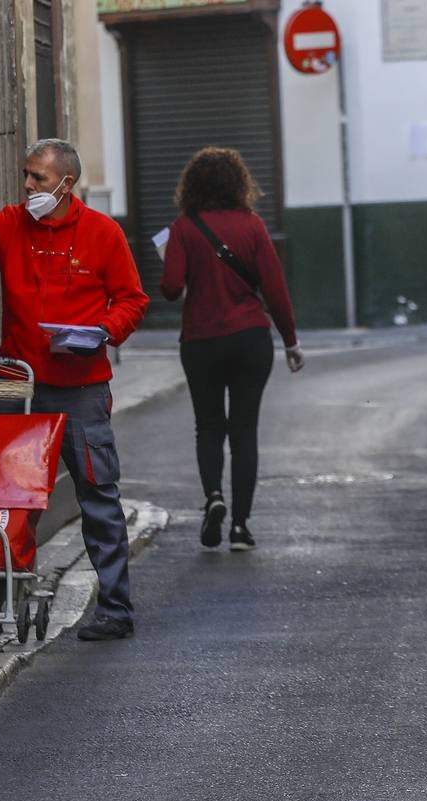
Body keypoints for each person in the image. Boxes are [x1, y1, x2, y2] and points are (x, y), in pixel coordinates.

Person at [0, 138, 149, 641]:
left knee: (98, 495)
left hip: (81, 388)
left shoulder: (103, 234)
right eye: (27, 175)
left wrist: (103, 331)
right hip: (18, 388)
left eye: (38, 178)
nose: (28, 186)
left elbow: (132, 299)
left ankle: (115, 609)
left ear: (66, 182)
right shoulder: (8, 225)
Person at [160, 147, 303, 551]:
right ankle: (240, 527)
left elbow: (170, 289)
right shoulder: (253, 226)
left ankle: (213, 497)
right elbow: (275, 290)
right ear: (239, 183)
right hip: (249, 338)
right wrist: (291, 341)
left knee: (208, 426)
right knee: (244, 432)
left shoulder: (183, 228)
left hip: (201, 341)